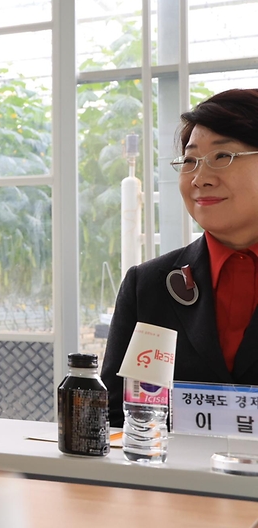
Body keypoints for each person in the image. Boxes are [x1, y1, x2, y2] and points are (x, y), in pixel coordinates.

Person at [102, 88, 258, 427]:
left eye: (223, 157)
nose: (200, 178)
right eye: (189, 161)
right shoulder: (149, 285)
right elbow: (116, 417)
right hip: (169, 479)